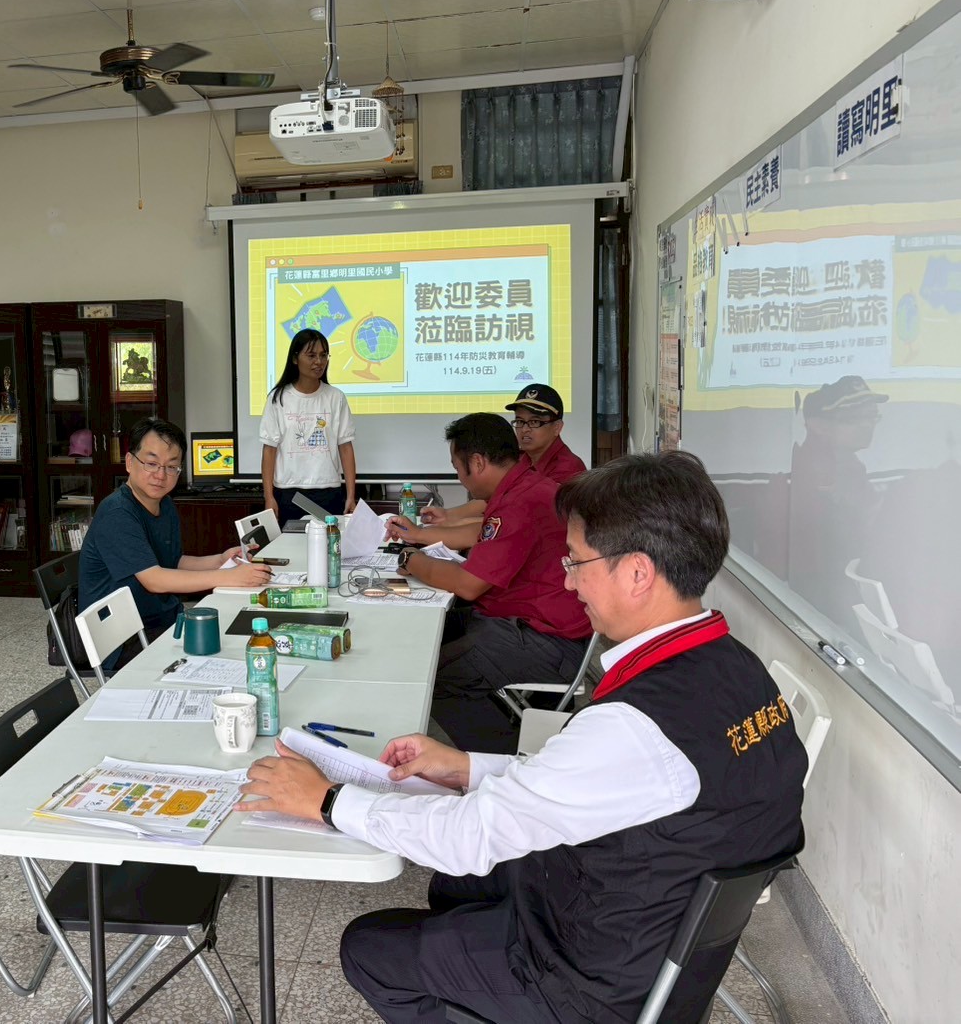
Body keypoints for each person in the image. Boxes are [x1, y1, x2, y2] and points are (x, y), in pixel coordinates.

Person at [238, 451, 807, 1024]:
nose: (567, 579)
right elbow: (603, 783)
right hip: (653, 932)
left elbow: (471, 835)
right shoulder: (737, 669)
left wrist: (327, 801)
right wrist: (467, 768)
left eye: (576, 561)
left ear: (637, 572)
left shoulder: (635, 726)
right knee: (457, 888)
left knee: (371, 947)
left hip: (590, 983)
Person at [393, 414, 591, 750]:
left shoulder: (521, 502)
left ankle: (506, 766)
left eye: (458, 468)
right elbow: (485, 535)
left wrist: (411, 560)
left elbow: (469, 584)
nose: (459, 478)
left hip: (548, 642)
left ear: (477, 463)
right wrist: (422, 539)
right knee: (428, 633)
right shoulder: (524, 487)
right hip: (524, 622)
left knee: (435, 678)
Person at [79, 417, 272, 674]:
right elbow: (155, 580)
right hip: (124, 640)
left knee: (242, 636)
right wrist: (230, 577)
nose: (161, 475)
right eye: (151, 463)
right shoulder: (117, 513)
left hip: (161, 620)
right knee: (226, 655)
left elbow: (174, 561)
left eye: (171, 467)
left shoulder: (164, 504)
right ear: (129, 462)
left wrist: (220, 559)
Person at [387, 384, 582, 548]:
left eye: (535, 422)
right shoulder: (521, 457)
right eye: (520, 421)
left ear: (557, 427)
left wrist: (445, 525)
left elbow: (507, 523)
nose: (525, 430)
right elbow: (495, 499)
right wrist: (449, 515)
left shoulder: (568, 469)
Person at [787, 375, 886, 626]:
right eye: (854, 416)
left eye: (871, 415)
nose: (867, 424)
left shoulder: (848, 466)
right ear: (817, 425)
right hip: (829, 604)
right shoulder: (820, 471)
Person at [261, 329, 357, 524]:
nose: (319, 362)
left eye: (323, 355)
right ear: (295, 359)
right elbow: (269, 450)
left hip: (328, 492)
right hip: (288, 493)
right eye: (311, 355)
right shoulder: (278, 398)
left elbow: (346, 448)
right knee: (290, 543)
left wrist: (351, 496)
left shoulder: (336, 397)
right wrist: (269, 497)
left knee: (330, 542)